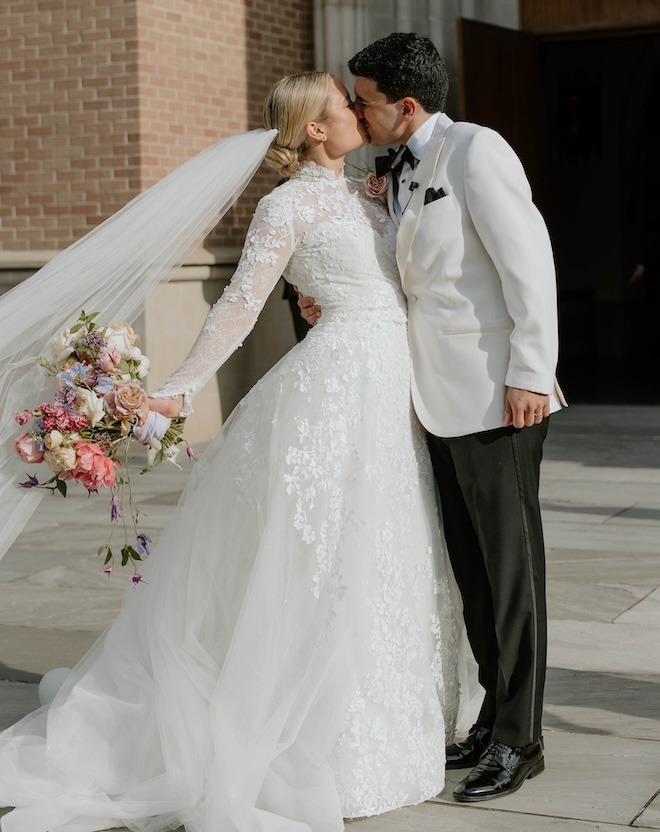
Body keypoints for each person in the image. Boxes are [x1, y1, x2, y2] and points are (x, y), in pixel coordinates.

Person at [0, 71, 471, 832]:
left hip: (394, 390)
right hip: (337, 388)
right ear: (314, 129)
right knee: (324, 559)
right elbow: (240, 304)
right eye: (342, 105)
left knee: (388, 546)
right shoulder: (284, 206)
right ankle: (310, 739)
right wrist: (181, 391)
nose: (357, 111)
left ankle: (393, 725)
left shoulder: (372, 192)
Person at [299, 33, 566, 803]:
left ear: (404, 105)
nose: (355, 111)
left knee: (511, 574)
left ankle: (522, 739)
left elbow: (530, 266)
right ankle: (491, 718)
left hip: (496, 397)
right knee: (473, 571)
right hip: (428, 398)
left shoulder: (477, 153)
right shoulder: (398, 171)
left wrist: (530, 374)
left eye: (364, 101)